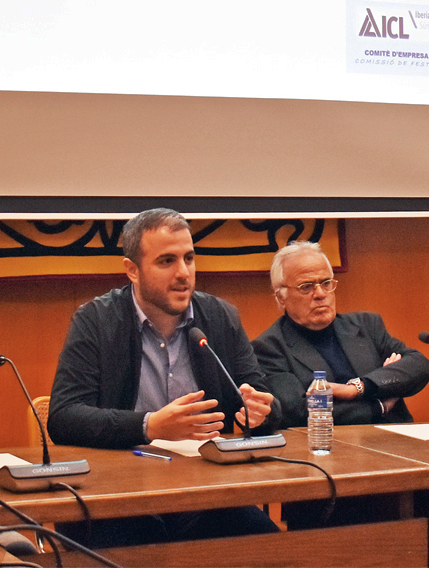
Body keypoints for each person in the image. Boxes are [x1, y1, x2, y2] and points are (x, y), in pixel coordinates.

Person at [47, 208, 280, 544]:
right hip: (119, 496)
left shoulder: (219, 317)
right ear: (133, 270)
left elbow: (262, 398)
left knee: (274, 546)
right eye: (167, 261)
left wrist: (260, 412)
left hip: (204, 492)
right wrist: (149, 426)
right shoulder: (95, 321)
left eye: (189, 258)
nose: (184, 273)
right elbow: (64, 417)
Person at [253, 240, 429, 426]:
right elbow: (298, 411)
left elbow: (418, 365)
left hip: (395, 439)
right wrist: (380, 405)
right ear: (281, 298)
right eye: (306, 287)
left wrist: (358, 388)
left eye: (326, 283)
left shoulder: (366, 325)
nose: (320, 294)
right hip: (329, 445)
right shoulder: (269, 348)